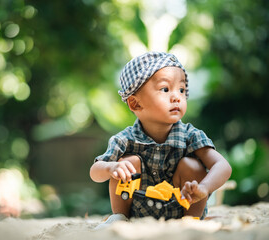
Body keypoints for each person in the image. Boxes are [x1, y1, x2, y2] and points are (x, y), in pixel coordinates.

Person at [90, 52, 232, 228]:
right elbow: (95, 172)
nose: (176, 96)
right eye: (165, 89)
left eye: (181, 89)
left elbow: (223, 166)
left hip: (183, 207)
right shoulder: (125, 139)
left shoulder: (191, 135)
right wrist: (111, 168)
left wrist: (204, 188)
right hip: (137, 213)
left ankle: (192, 220)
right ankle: (120, 217)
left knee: (192, 165)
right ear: (135, 104)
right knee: (127, 162)